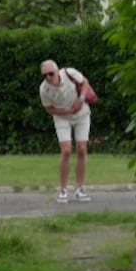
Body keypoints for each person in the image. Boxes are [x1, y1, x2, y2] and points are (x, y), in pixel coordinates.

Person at [38, 59, 92, 203]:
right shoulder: (44, 89)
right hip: (62, 117)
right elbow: (49, 108)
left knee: (81, 148)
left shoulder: (69, 73)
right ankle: (63, 189)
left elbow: (85, 82)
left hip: (82, 114)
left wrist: (80, 100)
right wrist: (66, 111)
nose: (48, 78)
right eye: (45, 76)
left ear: (57, 71)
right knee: (66, 150)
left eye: (51, 74)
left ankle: (80, 188)